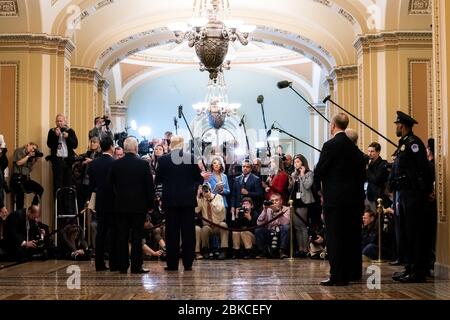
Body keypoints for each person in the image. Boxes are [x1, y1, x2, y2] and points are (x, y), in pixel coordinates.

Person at [314, 113, 366, 286]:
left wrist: (319, 192)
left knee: (335, 237)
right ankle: (352, 272)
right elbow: (361, 176)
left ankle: (337, 276)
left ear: (333, 125)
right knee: (351, 237)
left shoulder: (330, 145)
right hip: (354, 201)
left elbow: (320, 170)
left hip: (335, 201)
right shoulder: (356, 150)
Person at [389, 111, 433, 283]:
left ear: (403, 126)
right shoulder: (404, 144)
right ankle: (409, 267)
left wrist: (426, 190)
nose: (396, 127)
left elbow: (422, 169)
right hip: (404, 194)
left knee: (415, 233)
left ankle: (418, 271)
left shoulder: (414, 144)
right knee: (407, 232)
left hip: (413, 194)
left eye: (397, 125)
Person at [155, 135, 206, 271]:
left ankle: (172, 264)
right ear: (183, 144)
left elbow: (158, 179)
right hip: (188, 201)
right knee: (188, 232)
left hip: (170, 201)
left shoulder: (163, 160)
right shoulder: (191, 158)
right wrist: (202, 177)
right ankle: (188, 263)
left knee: (172, 233)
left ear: (171, 144)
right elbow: (198, 179)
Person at [106, 137, 154, 274]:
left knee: (122, 236)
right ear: (136, 148)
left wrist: (114, 201)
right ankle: (136, 266)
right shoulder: (143, 164)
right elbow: (149, 187)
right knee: (137, 237)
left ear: (125, 148)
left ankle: (122, 266)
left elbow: (109, 186)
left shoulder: (115, 164)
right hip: (139, 207)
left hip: (120, 206)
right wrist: (150, 204)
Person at [88, 137, 117, 271]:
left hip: (100, 200)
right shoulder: (115, 163)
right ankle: (113, 263)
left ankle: (99, 263)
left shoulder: (94, 163)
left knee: (101, 232)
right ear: (111, 146)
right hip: (113, 201)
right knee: (113, 233)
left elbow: (92, 184)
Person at [290, 154, 315, 257]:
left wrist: (303, 174)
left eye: (298, 162)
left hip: (304, 201)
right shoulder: (293, 174)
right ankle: (300, 248)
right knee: (296, 226)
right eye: (295, 162)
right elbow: (292, 188)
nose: (296, 164)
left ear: (303, 163)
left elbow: (307, 186)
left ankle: (305, 249)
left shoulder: (309, 173)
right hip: (295, 201)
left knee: (302, 226)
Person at [47, 114, 78, 194]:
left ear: (65, 121)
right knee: (58, 185)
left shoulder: (70, 131)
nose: (59, 123)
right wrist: (56, 136)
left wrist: (68, 137)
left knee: (68, 185)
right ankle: (58, 206)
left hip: (68, 162)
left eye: (61, 121)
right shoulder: (52, 131)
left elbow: (75, 145)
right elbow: (49, 144)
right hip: (57, 161)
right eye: (57, 121)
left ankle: (67, 206)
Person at [195, 183, 228, 259]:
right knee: (204, 229)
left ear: (210, 190)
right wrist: (198, 197)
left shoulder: (218, 197)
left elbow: (219, 209)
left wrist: (211, 199)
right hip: (208, 226)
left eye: (207, 190)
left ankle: (223, 250)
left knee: (224, 225)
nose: (205, 192)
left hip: (218, 224)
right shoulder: (201, 199)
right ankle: (206, 250)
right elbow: (196, 210)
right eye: (204, 191)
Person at [255, 193, 290, 259]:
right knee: (258, 230)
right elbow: (259, 223)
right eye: (272, 201)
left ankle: (281, 251)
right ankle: (263, 252)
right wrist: (264, 210)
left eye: (276, 200)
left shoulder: (287, 209)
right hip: (270, 231)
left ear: (281, 201)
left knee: (286, 227)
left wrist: (277, 211)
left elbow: (286, 222)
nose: (274, 202)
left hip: (281, 232)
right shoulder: (268, 210)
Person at [11, 143, 44, 209]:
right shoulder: (19, 151)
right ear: (28, 145)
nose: (33, 150)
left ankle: (33, 210)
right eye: (33, 147)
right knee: (20, 199)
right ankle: (19, 216)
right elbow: (18, 163)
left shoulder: (30, 156)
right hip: (17, 179)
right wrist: (28, 156)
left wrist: (35, 160)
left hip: (26, 179)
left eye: (35, 149)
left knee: (40, 189)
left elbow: (29, 169)